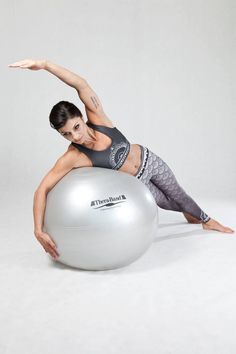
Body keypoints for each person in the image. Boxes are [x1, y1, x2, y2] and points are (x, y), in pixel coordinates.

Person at [8, 59, 235, 260]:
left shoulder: (99, 119)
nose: (75, 136)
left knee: (178, 194)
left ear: (82, 117)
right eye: (66, 134)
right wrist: (38, 230)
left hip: (149, 160)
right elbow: (42, 190)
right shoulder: (74, 156)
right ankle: (188, 212)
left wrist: (46, 65)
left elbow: (81, 84)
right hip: (138, 182)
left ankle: (208, 220)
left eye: (76, 127)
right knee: (166, 203)